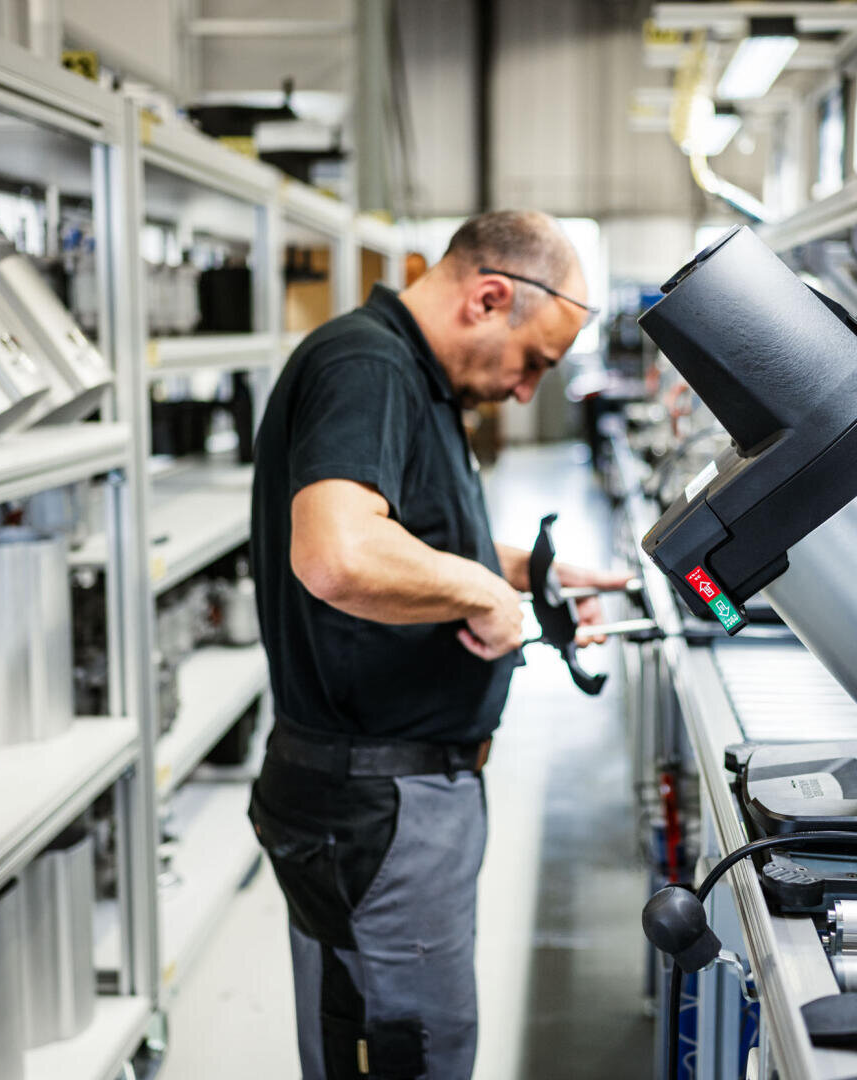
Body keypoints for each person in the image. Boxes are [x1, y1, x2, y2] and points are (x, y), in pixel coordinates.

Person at [247, 210, 627, 1079]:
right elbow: (337, 554)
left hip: (382, 794)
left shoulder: (405, 373)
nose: (528, 392)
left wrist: (521, 571)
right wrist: (482, 592)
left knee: (378, 1029)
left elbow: (404, 533)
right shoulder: (368, 366)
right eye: (534, 361)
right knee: (409, 1045)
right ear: (489, 298)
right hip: (379, 800)